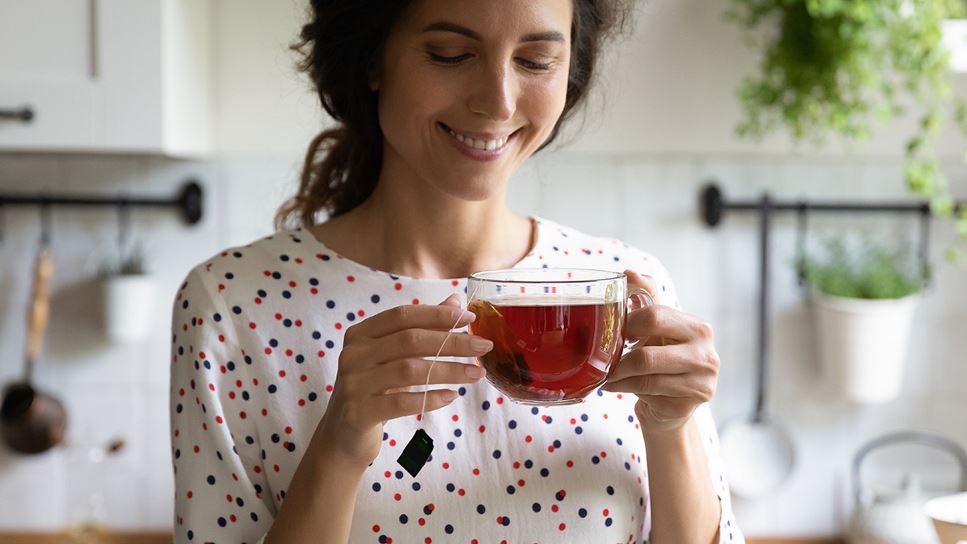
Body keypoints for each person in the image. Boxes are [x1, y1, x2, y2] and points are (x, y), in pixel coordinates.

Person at [169, 0, 745, 542]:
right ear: (372, 58)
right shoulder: (231, 306)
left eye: (536, 60)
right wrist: (340, 446)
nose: (497, 101)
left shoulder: (624, 291)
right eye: (450, 54)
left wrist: (671, 430)